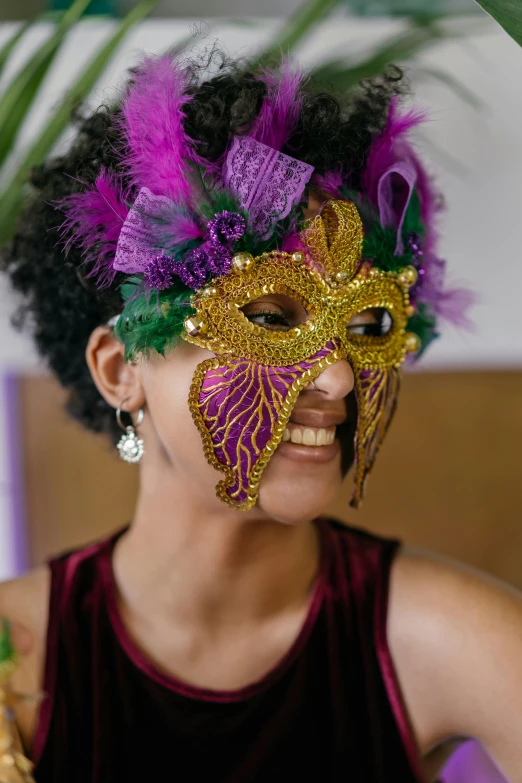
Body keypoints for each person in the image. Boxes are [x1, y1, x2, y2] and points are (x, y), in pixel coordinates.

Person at [0, 50, 520, 783]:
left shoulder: (448, 638)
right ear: (122, 369)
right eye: (271, 316)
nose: (338, 376)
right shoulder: (13, 659)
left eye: (368, 327)